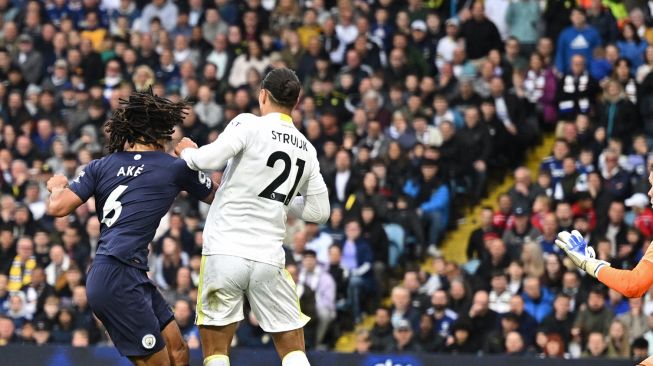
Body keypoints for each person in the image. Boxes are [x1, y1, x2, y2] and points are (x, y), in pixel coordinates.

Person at [46, 89, 215, 366]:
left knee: (178, 352)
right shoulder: (175, 167)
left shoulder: (100, 166)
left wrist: (56, 186)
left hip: (127, 273)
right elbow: (221, 197)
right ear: (161, 129)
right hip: (117, 275)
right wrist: (195, 159)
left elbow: (57, 207)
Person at [175, 67, 330, 366]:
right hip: (268, 258)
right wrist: (281, 199)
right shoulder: (307, 149)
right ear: (296, 103)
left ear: (262, 96)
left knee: (217, 352)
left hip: (225, 251)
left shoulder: (248, 124)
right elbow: (319, 212)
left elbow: (209, 159)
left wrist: (187, 153)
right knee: (293, 351)